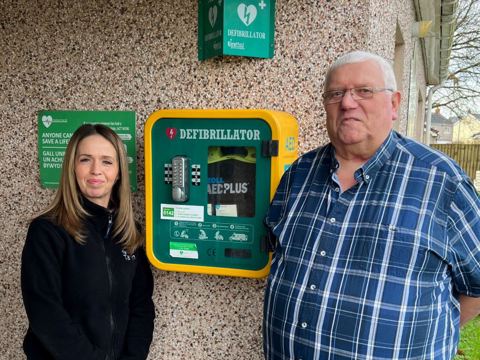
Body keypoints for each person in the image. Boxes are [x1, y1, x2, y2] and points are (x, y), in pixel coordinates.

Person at [263, 50, 480, 359]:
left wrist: (433, 332)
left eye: (363, 91)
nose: (348, 103)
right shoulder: (299, 174)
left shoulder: (441, 181)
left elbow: (477, 284)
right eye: (335, 93)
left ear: (393, 104)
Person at [21, 124, 155, 359]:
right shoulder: (48, 231)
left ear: (119, 172)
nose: (96, 170)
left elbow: (141, 305)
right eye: (85, 160)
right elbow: (46, 313)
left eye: (107, 161)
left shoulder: (130, 233)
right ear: (72, 168)